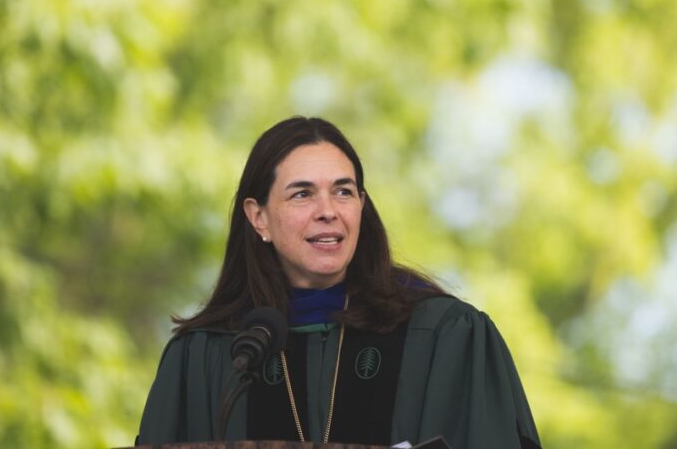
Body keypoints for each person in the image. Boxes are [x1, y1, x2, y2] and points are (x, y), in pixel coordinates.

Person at [136, 116, 543, 448]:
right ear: (258, 217)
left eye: (343, 192)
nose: (328, 211)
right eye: (302, 194)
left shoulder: (443, 335)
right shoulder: (209, 356)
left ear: (362, 207)